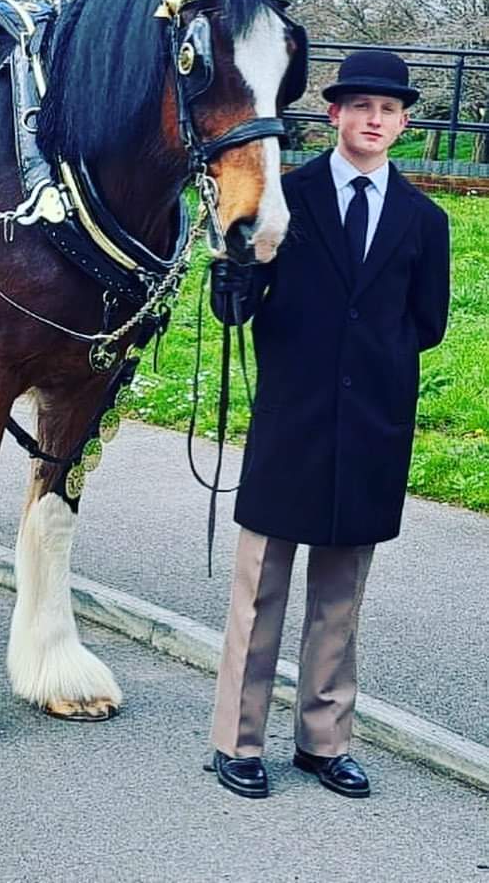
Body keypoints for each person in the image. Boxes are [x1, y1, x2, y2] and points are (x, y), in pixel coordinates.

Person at [207, 49, 450, 800]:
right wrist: (231, 275)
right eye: (361, 107)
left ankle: (324, 741)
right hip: (293, 417)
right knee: (261, 590)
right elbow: (238, 304)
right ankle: (238, 741)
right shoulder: (286, 198)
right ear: (335, 113)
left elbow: (428, 324)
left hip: (371, 426)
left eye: (389, 110)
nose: (375, 120)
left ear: (403, 124)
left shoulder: (425, 220)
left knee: (340, 600)